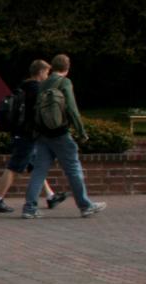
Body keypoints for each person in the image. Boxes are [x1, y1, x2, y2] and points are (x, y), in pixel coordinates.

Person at [22, 53, 106, 219]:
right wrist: (81, 131)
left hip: (42, 133)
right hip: (60, 133)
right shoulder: (64, 82)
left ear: (53, 67)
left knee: (39, 171)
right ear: (67, 68)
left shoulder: (43, 83)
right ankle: (85, 205)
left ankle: (29, 208)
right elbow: (72, 109)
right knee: (73, 169)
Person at [0, 59, 66, 213]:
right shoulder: (35, 90)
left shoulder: (23, 87)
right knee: (13, 168)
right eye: (47, 73)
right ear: (41, 72)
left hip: (21, 133)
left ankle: (50, 196)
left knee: (36, 166)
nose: (47, 76)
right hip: (27, 135)